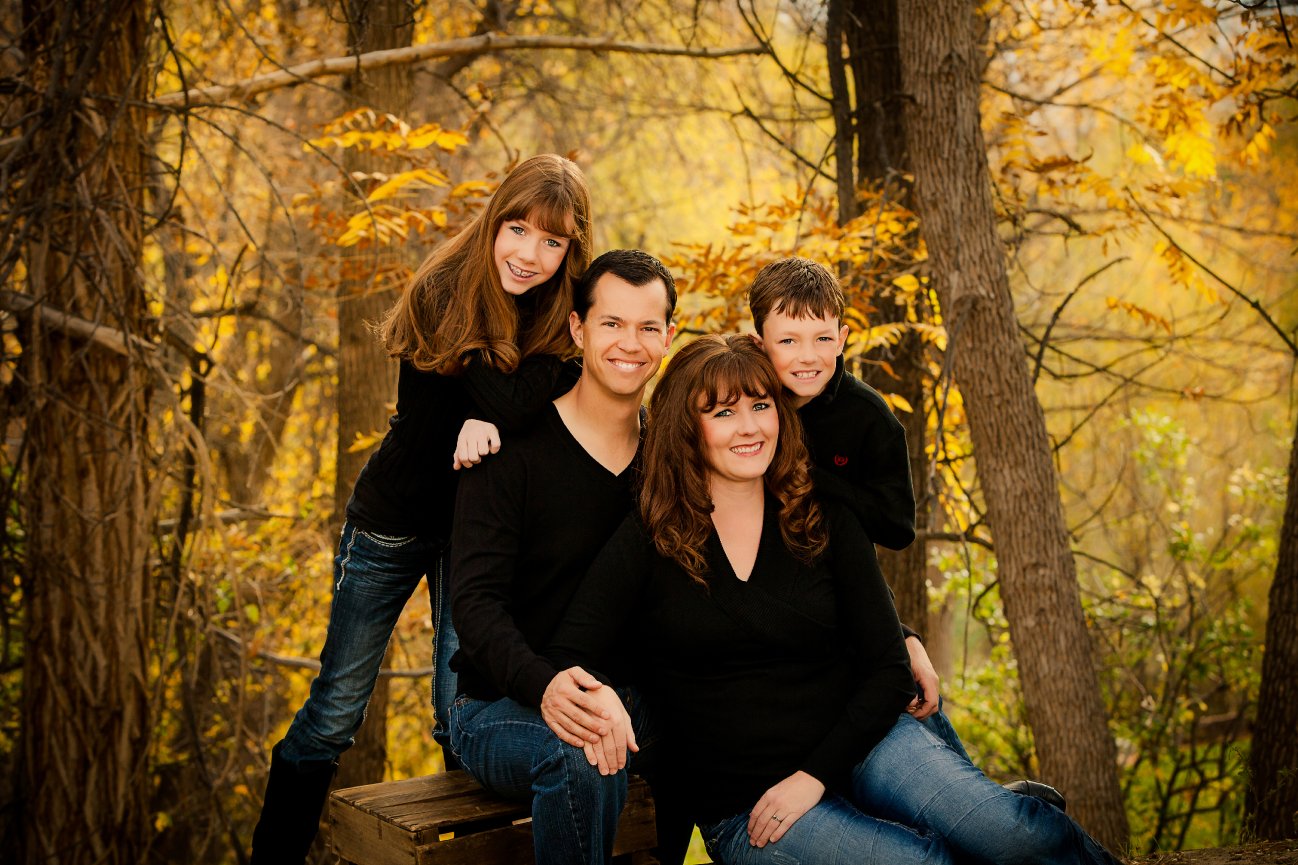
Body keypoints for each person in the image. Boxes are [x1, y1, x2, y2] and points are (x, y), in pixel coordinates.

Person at [547, 334, 1124, 865]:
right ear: (685, 428)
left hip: (865, 744)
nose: (749, 428)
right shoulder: (652, 537)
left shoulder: (821, 516)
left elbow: (888, 669)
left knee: (1014, 835)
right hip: (751, 807)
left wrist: (816, 776)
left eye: (761, 405)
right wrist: (607, 701)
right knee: (927, 864)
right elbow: (571, 650)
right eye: (722, 413)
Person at [249, 154, 592, 865]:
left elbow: (522, 409)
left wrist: (491, 405)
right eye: (518, 229)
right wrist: (492, 408)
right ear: (494, 220)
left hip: (473, 536)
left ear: (571, 249)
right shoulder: (444, 289)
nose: (529, 254)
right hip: (392, 522)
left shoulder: (563, 316)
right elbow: (508, 406)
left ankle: (460, 855)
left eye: (551, 241)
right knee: (336, 711)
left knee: (457, 715)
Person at [747, 257, 1061, 808]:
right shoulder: (746, 406)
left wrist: (814, 479)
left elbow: (897, 527)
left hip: (849, 593)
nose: (807, 356)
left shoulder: (870, 420)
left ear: (844, 337)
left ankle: (998, 806)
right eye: (788, 340)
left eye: (822, 338)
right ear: (759, 342)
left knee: (906, 703)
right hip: (783, 608)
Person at [446, 249, 677, 865]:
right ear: (577, 328)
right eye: (612, 323)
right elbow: (475, 605)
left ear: (668, 338)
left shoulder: (669, 460)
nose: (630, 343)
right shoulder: (506, 447)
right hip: (500, 705)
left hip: (629, 699)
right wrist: (545, 684)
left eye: (647, 327)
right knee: (581, 750)